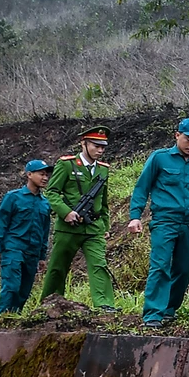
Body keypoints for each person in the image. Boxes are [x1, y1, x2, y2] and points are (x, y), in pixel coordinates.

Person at [129, 117, 189, 326]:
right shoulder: (160, 159)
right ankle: (153, 313)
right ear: (177, 135)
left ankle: (169, 308)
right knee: (160, 265)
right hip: (165, 221)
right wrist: (135, 216)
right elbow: (142, 187)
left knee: (184, 268)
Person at [40, 125, 116, 310]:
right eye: (96, 146)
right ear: (84, 143)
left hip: (94, 227)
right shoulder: (67, 164)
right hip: (69, 227)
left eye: (103, 147)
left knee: (99, 265)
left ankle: (104, 305)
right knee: (58, 267)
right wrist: (66, 212)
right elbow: (52, 193)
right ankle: (49, 303)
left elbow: (103, 201)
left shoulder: (103, 169)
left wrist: (105, 226)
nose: (100, 150)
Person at [0, 160, 53, 315]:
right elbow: (1, 223)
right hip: (14, 248)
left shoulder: (45, 204)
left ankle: (15, 317)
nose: (45, 178)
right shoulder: (13, 197)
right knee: (12, 285)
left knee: (24, 290)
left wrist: (42, 257)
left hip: (33, 251)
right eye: (41, 174)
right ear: (29, 175)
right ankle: (3, 317)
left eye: (46, 175)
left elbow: (44, 232)